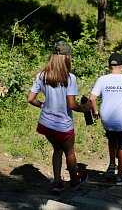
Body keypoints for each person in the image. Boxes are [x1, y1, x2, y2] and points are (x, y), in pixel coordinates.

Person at [27, 41, 90, 195]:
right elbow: (72, 104)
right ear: (66, 57)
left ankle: (57, 183)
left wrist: (43, 106)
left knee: (57, 150)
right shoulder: (70, 78)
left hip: (46, 123)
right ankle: (74, 181)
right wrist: (85, 108)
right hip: (63, 125)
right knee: (69, 152)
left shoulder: (42, 75)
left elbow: (30, 98)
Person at [89, 53, 122, 186]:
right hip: (121, 119)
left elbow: (92, 98)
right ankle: (120, 176)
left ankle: (112, 164)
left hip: (106, 118)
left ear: (109, 66)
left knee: (112, 139)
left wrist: (95, 111)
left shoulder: (102, 79)